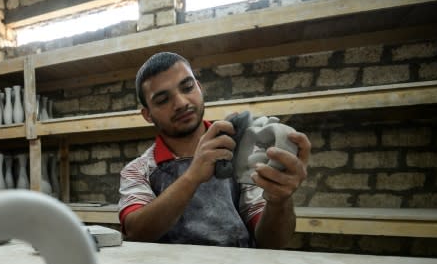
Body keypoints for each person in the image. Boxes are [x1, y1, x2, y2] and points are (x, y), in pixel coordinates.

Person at [118, 52, 310, 248]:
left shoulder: (242, 151)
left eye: (187, 87)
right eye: (162, 100)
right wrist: (192, 177)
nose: (181, 103)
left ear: (199, 87)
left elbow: (272, 243)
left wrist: (279, 201)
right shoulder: (138, 169)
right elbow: (136, 232)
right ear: (147, 115)